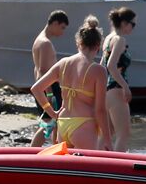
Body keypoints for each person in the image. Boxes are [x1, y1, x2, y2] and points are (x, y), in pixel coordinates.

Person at [31, 20, 110, 149]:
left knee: (67, 166)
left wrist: (52, 113)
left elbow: (36, 89)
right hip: (84, 124)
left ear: (78, 43)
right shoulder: (98, 70)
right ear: (98, 45)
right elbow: (100, 110)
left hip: (63, 123)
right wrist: (107, 139)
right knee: (85, 168)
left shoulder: (63, 63)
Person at [30, 10, 70, 146]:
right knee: (49, 123)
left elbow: (37, 69)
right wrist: (49, 95)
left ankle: (54, 151)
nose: (62, 32)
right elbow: (42, 70)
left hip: (43, 88)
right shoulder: (45, 43)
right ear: (55, 23)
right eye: (62, 28)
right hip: (49, 89)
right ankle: (31, 154)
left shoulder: (38, 40)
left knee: (55, 123)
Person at [102, 7, 137, 152]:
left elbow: (103, 65)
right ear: (124, 23)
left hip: (107, 91)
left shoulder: (108, 39)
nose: (133, 28)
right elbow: (111, 65)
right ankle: (118, 167)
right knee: (124, 133)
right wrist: (126, 87)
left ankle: (95, 163)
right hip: (116, 89)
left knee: (108, 134)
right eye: (132, 24)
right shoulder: (119, 39)